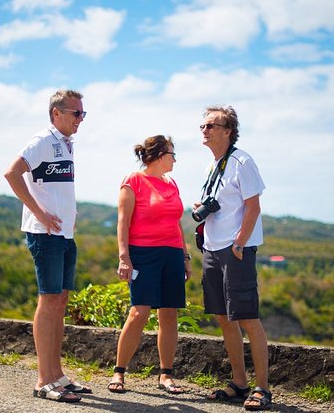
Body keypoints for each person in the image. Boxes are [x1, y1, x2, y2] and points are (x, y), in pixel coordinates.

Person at [3, 89, 90, 403]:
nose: (81, 119)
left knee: (60, 302)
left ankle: (57, 375)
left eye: (83, 113)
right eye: (76, 113)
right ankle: (44, 380)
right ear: (57, 113)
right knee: (48, 301)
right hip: (44, 235)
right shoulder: (42, 140)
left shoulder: (65, 144)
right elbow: (12, 173)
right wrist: (39, 213)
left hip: (65, 235)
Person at [195, 106, 272, 411]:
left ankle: (263, 388)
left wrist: (240, 243)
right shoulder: (211, 166)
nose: (205, 130)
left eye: (211, 126)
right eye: (203, 125)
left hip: (236, 250)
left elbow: (253, 207)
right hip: (212, 249)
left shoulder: (243, 161)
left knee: (247, 318)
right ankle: (239, 383)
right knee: (224, 318)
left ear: (227, 131)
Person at [108, 135, 192, 395]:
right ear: (157, 155)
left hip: (172, 254)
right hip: (143, 253)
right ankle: (119, 372)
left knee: (169, 314)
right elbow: (123, 222)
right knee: (139, 312)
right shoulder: (133, 181)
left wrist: (186, 257)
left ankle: (165, 375)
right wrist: (124, 257)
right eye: (171, 154)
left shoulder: (172, 183)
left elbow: (177, 223)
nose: (175, 159)